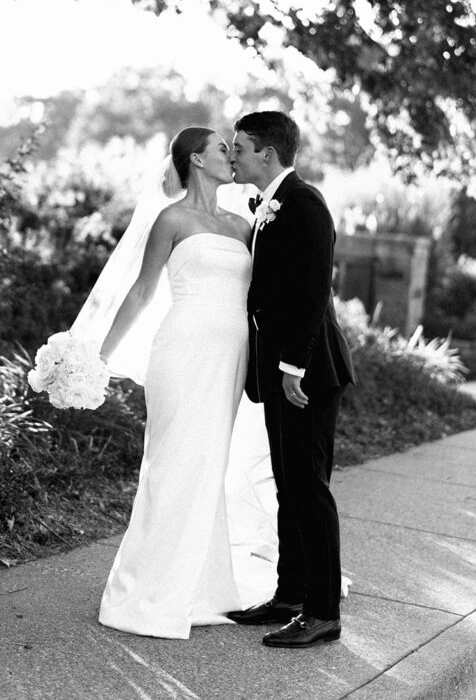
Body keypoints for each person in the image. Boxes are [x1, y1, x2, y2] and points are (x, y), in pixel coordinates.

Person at [96, 126, 253, 639]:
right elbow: (142, 293)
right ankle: (147, 593)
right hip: (181, 352)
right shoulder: (172, 218)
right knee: (172, 464)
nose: (233, 156)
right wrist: (98, 356)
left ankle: (203, 591)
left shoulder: (244, 224)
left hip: (230, 356)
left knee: (210, 466)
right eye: (224, 150)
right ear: (196, 160)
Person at [227, 111, 356, 649]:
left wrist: (292, 367)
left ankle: (322, 613)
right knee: (289, 486)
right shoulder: (267, 206)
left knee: (309, 489)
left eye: (238, 147)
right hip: (283, 371)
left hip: (306, 373)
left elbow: (312, 293)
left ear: (267, 153)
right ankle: (290, 595)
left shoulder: (303, 203)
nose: (231, 155)